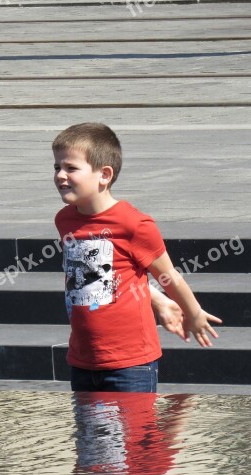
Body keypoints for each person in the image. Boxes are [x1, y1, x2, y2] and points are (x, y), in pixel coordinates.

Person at [53, 122, 222, 392]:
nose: (61, 175)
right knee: (89, 435)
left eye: (71, 168)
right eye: (57, 167)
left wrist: (193, 311)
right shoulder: (65, 220)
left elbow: (168, 275)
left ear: (104, 175)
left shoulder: (133, 224)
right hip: (83, 359)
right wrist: (160, 302)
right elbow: (99, 276)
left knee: (139, 434)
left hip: (130, 363)